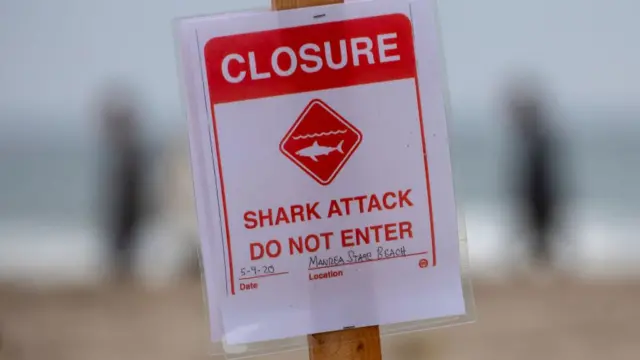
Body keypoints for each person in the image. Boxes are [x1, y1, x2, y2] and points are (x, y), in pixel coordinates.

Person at [506, 76, 563, 270]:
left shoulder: (538, 139)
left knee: (540, 238)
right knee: (538, 239)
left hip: (540, 197)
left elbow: (541, 177)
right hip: (539, 196)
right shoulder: (536, 138)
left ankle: (542, 264)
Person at [99, 84, 144, 281]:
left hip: (127, 207)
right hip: (125, 207)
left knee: (124, 242)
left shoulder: (130, 153)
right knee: (121, 242)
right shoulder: (128, 152)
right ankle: (121, 272)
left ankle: (122, 273)